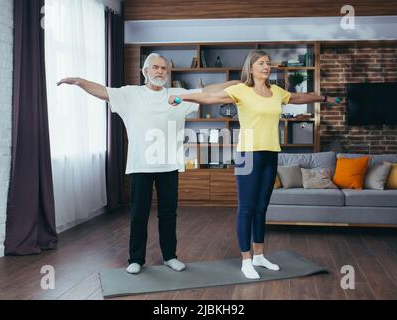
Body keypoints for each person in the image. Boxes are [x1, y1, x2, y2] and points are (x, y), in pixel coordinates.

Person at [58, 53, 238, 274]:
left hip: (169, 165)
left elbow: (209, 91)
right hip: (141, 165)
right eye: (155, 68)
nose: (160, 71)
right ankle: (136, 259)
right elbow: (103, 91)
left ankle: (170, 256)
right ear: (145, 71)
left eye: (163, 68)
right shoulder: (130, 94)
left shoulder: (178, 95)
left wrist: (237, 82)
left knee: (168, 214)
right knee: (138, 213)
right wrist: (79, 81)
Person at [169, 50, 340, 279]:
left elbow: (297, 98)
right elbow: (210, 98)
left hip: (271, 154)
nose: (266, 66)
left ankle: (259, 255)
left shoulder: (276, 91)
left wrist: (323, 98)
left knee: (261, 208)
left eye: (268, 63)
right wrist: (182, 98)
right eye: (261, 63)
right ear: (250, 67)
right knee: (246, 208)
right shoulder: (242, 90)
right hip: (248, 155)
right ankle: (246, 260)